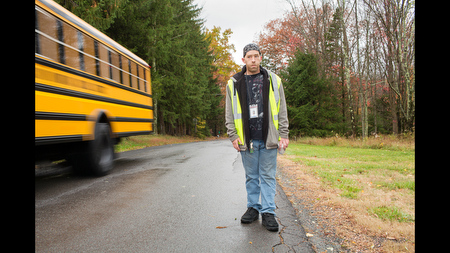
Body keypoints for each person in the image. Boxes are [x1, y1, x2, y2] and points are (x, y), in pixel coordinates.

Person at [225, 43, 289, 232]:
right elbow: (229, 113)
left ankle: (268, 212)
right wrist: (233, 136)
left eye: (256, 56)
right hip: (248, 139)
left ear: (261, 57)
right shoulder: (234, 83)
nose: (253, 59)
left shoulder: (274, 80)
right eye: (249, 56)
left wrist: (283, 134)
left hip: (268, 137)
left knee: (268, 176)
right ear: (243, 59)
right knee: (251, 176)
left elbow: (282, 109)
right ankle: (253, 208)